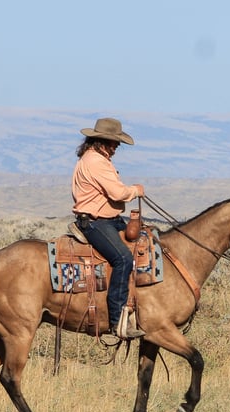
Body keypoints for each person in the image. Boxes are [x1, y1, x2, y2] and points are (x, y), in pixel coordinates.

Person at [72, 117, 146, 339]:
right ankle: (117, 320)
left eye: (117, 144)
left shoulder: (99, 159)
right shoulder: (95, 161)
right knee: (123, 259)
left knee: (145, 242)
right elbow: (117, 193)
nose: (115, 148)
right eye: (112, 143)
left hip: (109, 219)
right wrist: (135, 190)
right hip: (95, 222)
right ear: (99, 141)